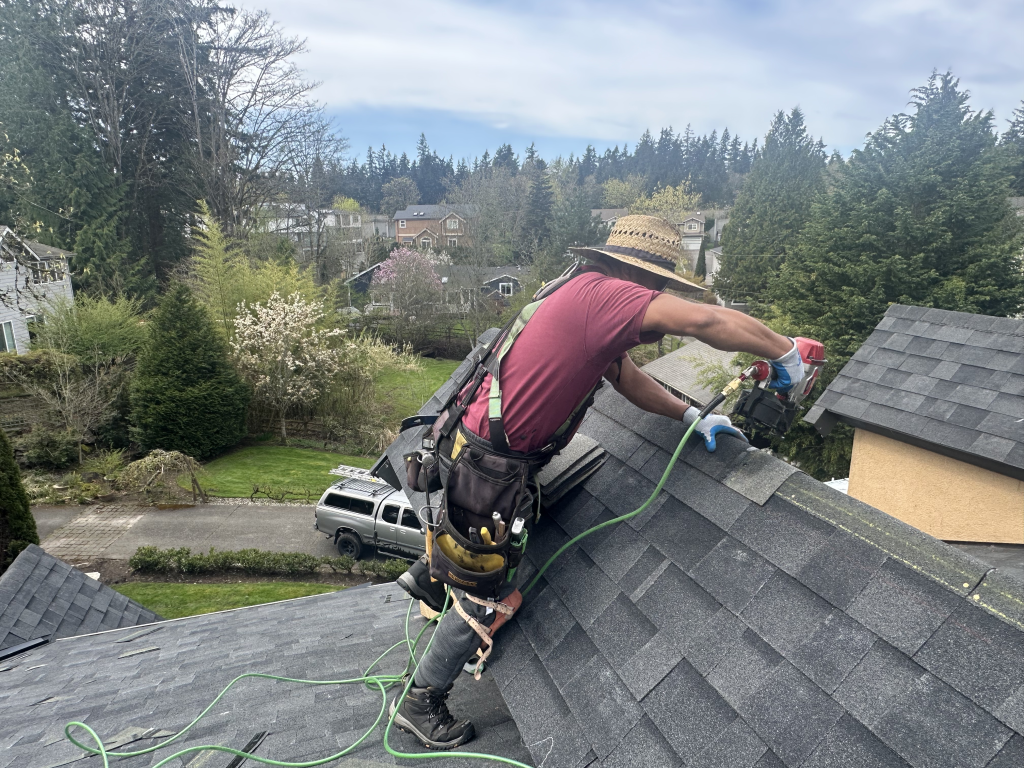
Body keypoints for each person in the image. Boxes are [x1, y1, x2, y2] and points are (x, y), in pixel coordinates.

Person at [392, 215, 817, 749]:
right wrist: (784, 353)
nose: (660, 297)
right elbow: (707, 321)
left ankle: (433, 573)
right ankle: (421, 698)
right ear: (640, 276)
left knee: (482, 547)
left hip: (477, 456)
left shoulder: (575, 290)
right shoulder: (607, 296)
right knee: (483, 595)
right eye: (659, 285)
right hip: (490, 470)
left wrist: (690, 415)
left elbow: (625, 377)